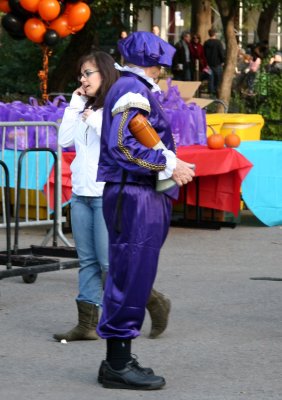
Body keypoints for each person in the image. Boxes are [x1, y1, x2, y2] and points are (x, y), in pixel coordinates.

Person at [96, 31, 195, 390]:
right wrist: (167, 166)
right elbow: (122, 145)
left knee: (133, 276)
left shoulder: (130, 87)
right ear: (153, 64)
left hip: (137, 192)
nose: (162, 73)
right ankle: (117, 364)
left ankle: (119, 359)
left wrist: (166, 163)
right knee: (130, 276)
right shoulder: (131, 89)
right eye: (161, 66)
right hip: (133, 193)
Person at [53, 50, 171, 343]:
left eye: (88, 73)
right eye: (80, 74)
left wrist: (92, 117)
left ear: (105, 73)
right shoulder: (84, 106)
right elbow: (63, 140)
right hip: (80, 193)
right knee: (89, 262)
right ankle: (86, 323)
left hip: (107, 194)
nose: (82, 79)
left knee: (112, 265)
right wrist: (76, 102)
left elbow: (115, 141)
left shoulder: (119, 105)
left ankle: (153, 301)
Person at [203, 28, 225, 95]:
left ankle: (211, 92)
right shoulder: (218, 43)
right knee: (218, 79)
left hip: (208, 64)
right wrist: (223, 61)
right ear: (215, 33)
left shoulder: (206, 43)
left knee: (210, 79)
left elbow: (204, 53)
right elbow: (221, 53)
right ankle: (216, 92)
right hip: (217, 64)